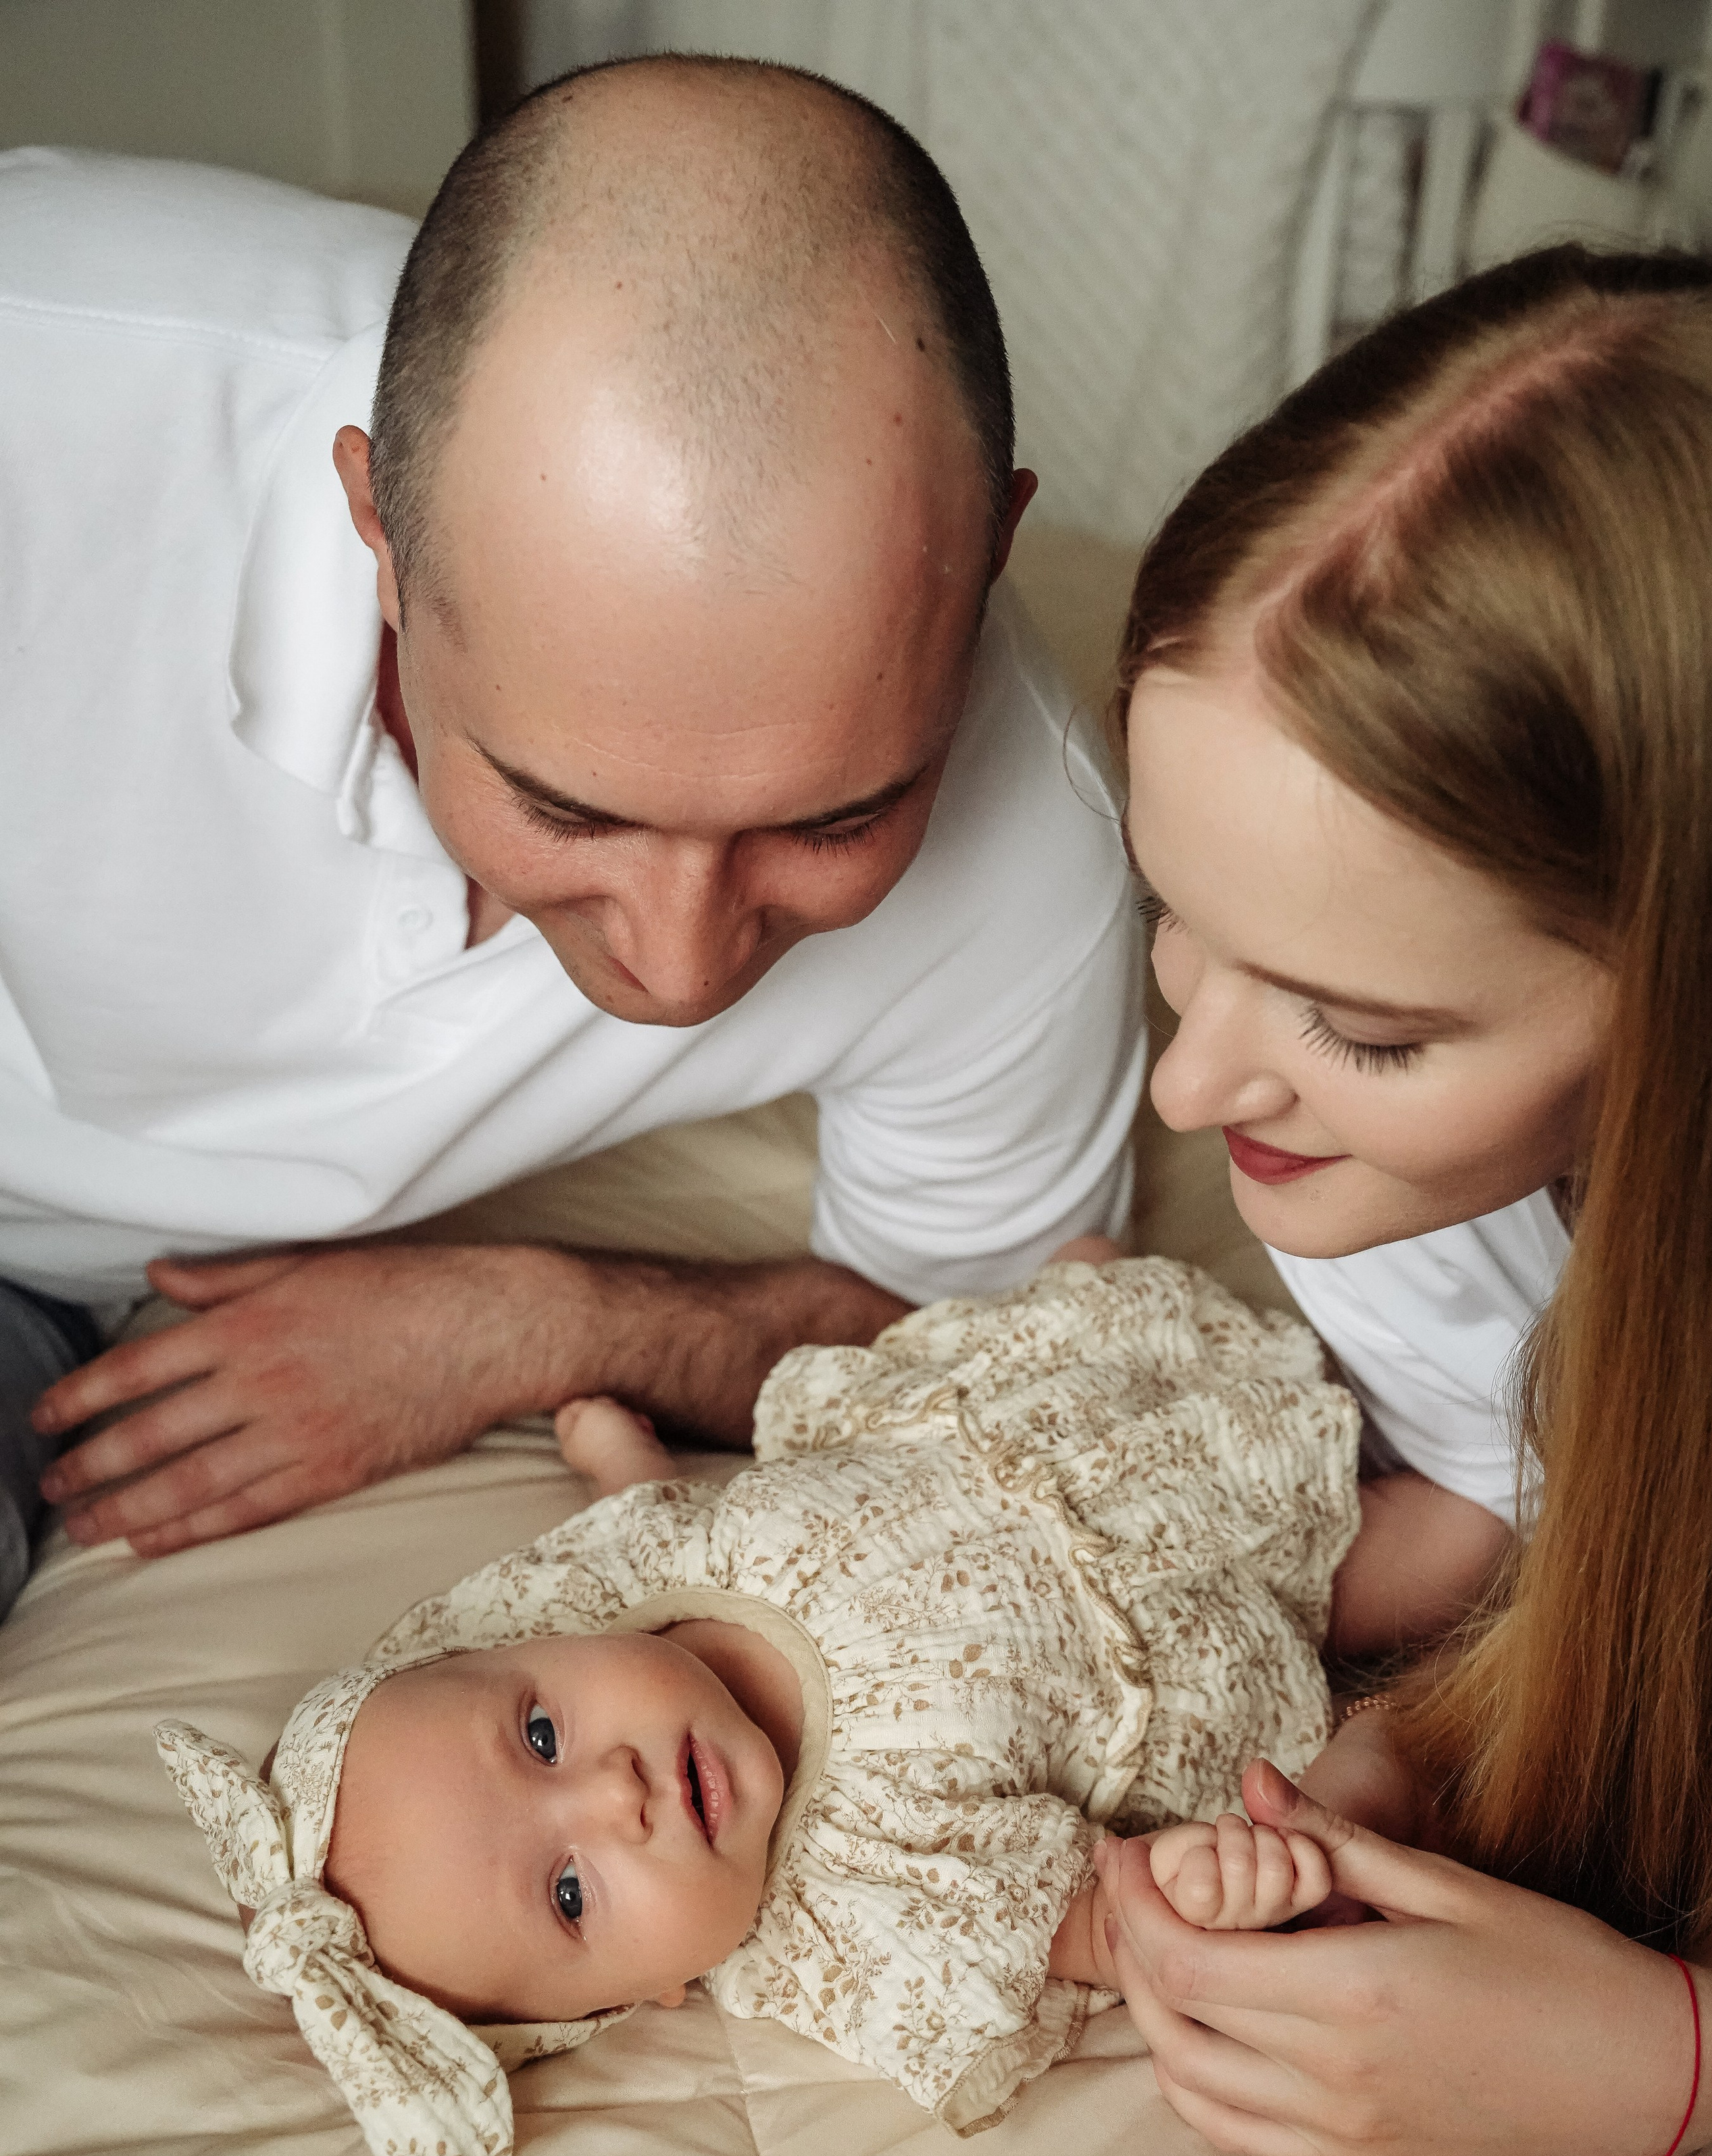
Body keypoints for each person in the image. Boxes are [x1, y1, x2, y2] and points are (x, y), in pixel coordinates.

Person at [0, 55, 1142, 1619]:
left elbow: (1004, 1363)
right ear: (381, 540)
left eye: (833, 820)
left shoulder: (1039, 839)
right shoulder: (41, 408)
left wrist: (530, 1323)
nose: (679, 971)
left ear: (991, 551)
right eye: (564, 809)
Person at [1097, 244, 1712, 2156]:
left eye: (1363, 1029)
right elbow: (1556, 1532)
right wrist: (1377, 1783)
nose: (1190, 1091)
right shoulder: (1395, 1184)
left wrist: (1676, 2063)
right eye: (1179, 922)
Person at [156, 1252, 1361, 2156]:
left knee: (1099, 1280)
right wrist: (1191, 1892)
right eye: (572, 1896)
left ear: (527, 1636)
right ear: (650, 1995)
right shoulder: (853, 1918)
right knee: (1428, 1555)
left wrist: (610, 1450)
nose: (614, 1796)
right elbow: (1086, 1919)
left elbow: (649, 1515)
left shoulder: (647, 1582)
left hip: (1050, 1426)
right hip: (1220, 1608)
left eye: (537, 1735)